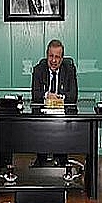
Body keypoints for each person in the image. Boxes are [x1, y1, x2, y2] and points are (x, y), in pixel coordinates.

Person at [31, 39, 78, 167]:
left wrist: (59, 98)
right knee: (40, 129)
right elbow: (35, 94)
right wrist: (47, 95)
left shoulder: (69, 70)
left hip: (62, 117)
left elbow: (73, 96)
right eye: (51, 56)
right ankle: (41, 161)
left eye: (57, 57)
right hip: (43, 117)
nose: (53, 60)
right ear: (47, 56)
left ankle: (62, 161)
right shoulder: (39, 69)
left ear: (62, 59)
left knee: (62, 132)